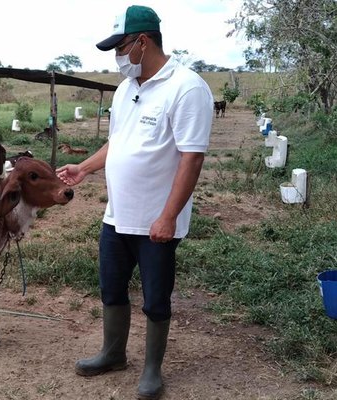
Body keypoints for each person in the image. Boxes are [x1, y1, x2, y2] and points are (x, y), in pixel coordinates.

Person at [56, 5, 213, 400]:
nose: (117, 56)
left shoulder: (187, 87)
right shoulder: (127, 88)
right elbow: (118, 142)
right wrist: (85, 168)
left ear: (142, 42)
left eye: (120, 46)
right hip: (117, 216)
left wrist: (168, 216)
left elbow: (192, 157)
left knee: (156, 297)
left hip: (156, 222)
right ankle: (113, 353)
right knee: (111, 289)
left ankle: (152, 370)